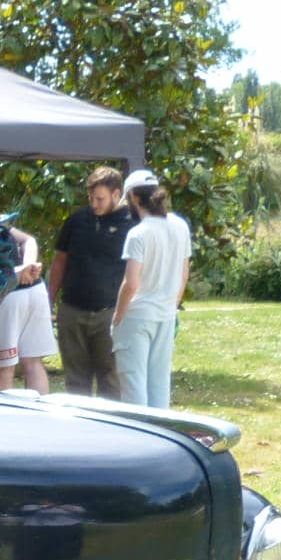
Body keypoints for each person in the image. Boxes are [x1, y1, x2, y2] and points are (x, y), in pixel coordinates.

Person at [48, 167, 135, 397]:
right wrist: (50, 299)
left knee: (111, 379)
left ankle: (109, 419)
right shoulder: (76, 220)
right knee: (75, 381)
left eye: (100, 199)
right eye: (91, 198)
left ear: (116, 194)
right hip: (72, 311)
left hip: (110, 313)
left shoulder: (131, 225)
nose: (95, 204)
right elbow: (59, 262)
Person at [108, 169, 191, 409]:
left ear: (134, 197)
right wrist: (171, 306)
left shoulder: (138, 233)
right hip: (165, 315)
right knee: (159, 385)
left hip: (137, 316)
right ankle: (160, 432)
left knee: (134, 386)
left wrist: (118, 317)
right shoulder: (180, 225)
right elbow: (184, 274)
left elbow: (131, 283)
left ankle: (137, 433)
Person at [0, 227, 53, 392]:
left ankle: (2, 411)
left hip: (7, 294)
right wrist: (28, 266)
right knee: (33, 363)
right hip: (35, 289)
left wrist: (26, 267)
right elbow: (28, 239)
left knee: (4, 368)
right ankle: (40, 409)